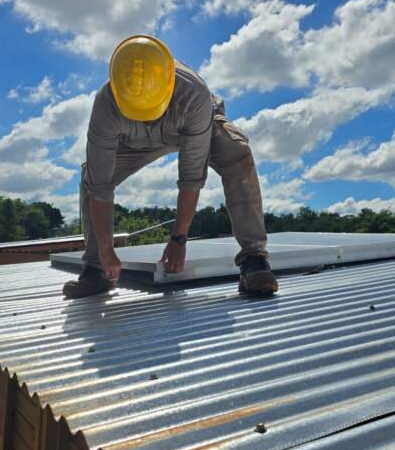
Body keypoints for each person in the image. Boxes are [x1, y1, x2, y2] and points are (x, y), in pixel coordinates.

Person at [63, 34, 278, 298]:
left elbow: (191, 176)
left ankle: (254, 260)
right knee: (92, 177)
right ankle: (96, 269)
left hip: (189, 125)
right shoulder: (106, 106)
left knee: (237, 153)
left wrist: (179, 239)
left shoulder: (194, 95)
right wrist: (107, 248)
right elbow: (100, 187)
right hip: (134, 139)